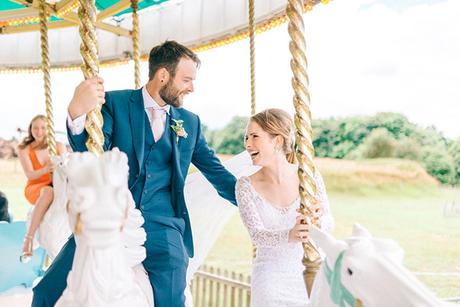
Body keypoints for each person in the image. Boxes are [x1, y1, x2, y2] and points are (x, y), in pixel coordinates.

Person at [32, 41, 237, 307]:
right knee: (46, 292)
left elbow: (215, 170)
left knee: (173, 296)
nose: (192, 87)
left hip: (164, 224)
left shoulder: (190, 122)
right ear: (163, 75)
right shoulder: (116, 104)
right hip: (112, 215)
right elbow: (93, 153)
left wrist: (254, 200)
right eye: (186, 79)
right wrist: (76, 113)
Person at [236, 108, 334, 307]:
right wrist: (290, 234)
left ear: (278, 140)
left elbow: (329, 224)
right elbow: (257, 235)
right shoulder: (245, 185)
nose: (247, 144)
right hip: (271, 278)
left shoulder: (309, 176)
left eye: (255, 136)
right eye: (246, 137)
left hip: (311, 272)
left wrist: (318, 219)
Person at [17, 115, 66, 261]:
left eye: (43, 128)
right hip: (35, 187)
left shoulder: (58, 146)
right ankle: (29, 238)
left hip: (56, 185)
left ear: (49, 129)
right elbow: (30, 175)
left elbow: (66, 167)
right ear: (30, 130)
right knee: (48, 191)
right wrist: (45, 169)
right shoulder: (25, 149)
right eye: (35, 128)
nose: (39, 131)